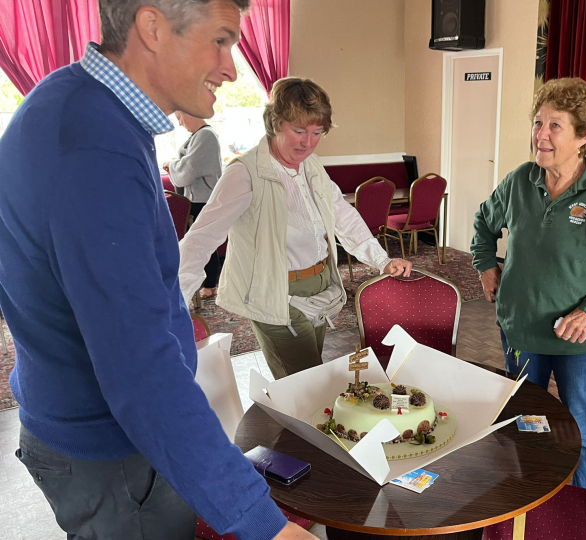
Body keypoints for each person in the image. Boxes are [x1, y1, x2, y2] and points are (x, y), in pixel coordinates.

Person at [0, 1, 316, 539]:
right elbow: (139, 374)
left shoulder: (77, 101)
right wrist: (268, 525)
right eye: (220, 40)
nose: (231, 68)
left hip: (87, 424)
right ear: (152, 26)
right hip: (112, 452)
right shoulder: (93, 145)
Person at [470, 77, 586, 494]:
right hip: (521, 332)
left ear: (585, 135)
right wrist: (484, 264)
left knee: (582, 427)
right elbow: (483, 222)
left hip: (583, 344)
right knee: (526, 423)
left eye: (555, 126)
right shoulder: (521, 180)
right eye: (538, 123)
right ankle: (532, 503)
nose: (541, 135)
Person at [179, 77, 412, 381]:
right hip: (276, 293)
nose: (308, 142)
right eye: (299, 131)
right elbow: (201, 237)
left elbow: (342, 215)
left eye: (317, 132)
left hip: (319, 286)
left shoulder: (310, 165)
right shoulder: (245, 173)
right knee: (306, 386)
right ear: (275, 123)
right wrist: (175, 304)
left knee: (306, 380)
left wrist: (382, 260)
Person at [165, 111, 223, 298]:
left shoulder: (206, 135)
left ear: (188, 114)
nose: (180, 124)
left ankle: (210, 284)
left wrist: (172, 164)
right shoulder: (199, 135)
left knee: (202, 242)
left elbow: (189, 169)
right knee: (201, 242)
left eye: (179, 118)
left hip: (202, 199)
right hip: (197, 198)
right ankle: (209, 284)